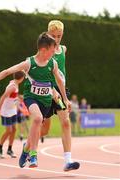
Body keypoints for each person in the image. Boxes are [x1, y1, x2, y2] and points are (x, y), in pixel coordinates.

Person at [0, 32, 71, 169]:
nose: (54, 53)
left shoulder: (53, 63)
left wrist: (65, 99)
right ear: (43, 50)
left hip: (46, 101)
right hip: (31, 98)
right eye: (52, 51)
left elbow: (60, 81)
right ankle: (33, 155)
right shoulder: (29, 63)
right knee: (37, 119)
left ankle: (26, 148)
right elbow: (6, 72)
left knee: (37, 124)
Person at [40, 20, 80, 171]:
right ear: (48, 34)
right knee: (45, 130)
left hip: (61, 91)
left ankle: (68, 161)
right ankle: (29, 145)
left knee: (66, 122)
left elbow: (60, 72)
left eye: (59, 36)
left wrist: (64, 97)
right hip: (47, 91)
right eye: (53, 36)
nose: (56, 39)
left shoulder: (63, 49)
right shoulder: (44, 51)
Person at [0, 71, 25, 158]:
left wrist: (19, 106)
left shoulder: (16, 84)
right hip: (6, 111)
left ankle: (9, 149)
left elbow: (14, 96)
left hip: (13, 110)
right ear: (21, 78)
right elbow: (2, 97)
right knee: (9, 131)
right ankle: (0, 147)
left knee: (14, 129)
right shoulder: (12, 86)